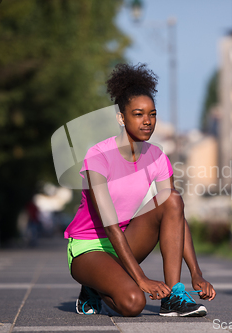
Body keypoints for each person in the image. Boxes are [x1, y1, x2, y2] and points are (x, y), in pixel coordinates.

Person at [64, 63, 216, 317]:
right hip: (89, 247)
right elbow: (110, 225)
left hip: (128, 240)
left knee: (172, 199)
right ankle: (93, 285)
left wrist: (196, 273)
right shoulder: (98, 156)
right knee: (133, 303)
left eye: (152, 114)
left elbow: (175, 214)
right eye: (138, 114)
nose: (147, 121)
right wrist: (142, 279)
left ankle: (174, 296)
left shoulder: (156, 156)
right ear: (121, 118)